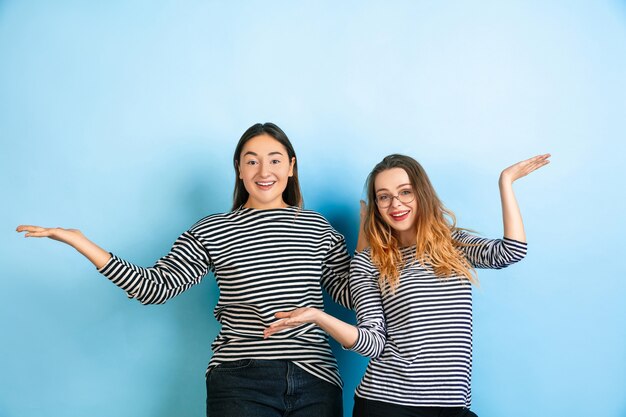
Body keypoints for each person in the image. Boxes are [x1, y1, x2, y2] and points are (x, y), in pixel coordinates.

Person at [16, 122, 354, 417]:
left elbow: (351, 294)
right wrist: (81, 242)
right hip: (242, 381)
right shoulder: (213, 230)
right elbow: (155, 287)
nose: (264, 171)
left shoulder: (317, 228)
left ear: (291, 167)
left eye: (275, 160)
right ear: (238, 169)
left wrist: (375, 241)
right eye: (252, 161)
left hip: (316, 380)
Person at [264, 153, 550, 417]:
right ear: (376, 205)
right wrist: (317, 316)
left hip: (452, 405)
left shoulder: (453, 245)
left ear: (421, 194)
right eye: (383, 197)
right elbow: (372, 342)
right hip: (388, 404)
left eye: (405, 192)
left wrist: (506, 181)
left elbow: (511, 251)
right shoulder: (369, 262)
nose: (396, 204)